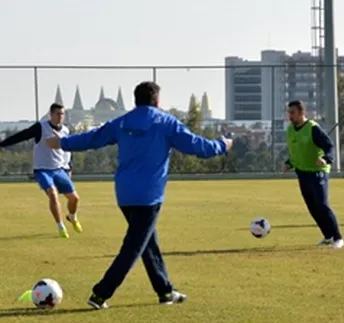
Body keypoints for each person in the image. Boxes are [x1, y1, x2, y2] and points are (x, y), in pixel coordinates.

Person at [44, 81, 232, 310]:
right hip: (149, 196)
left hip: (124, 194)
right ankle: (100, 294)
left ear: (136, 100)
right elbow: (198, 146)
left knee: (148, 243)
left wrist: (62, 142)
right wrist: (223, 144)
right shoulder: (166, 122)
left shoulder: (122, 122)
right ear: (157, 101)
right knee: (133, 247)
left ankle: (165, 291)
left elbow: (93, 138)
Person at [0, 103, 82, 238]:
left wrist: (69, 167)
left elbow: (67, 152)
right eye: (57, 114)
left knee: (74, 199)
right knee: (52, 194)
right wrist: (1, 144)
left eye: (62, 114)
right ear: (51, 114)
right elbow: (23, 135)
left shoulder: (66, 131)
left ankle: (72, 217)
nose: (60, 117)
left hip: (59, 169)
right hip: (42, 170)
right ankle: (60, 226)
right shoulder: (41, 127)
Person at [283, 100, 344, 249]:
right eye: (289, 112)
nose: (290, 116)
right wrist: (289, 163)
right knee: (312, 207)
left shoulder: (313, 128)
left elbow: (329, 146)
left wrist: (326, 159)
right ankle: (327, 236)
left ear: (302, 113)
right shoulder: (290, 130)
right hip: (302, 173)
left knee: (322, 205)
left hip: (318, 173)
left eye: (293, 113)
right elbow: (295, 150)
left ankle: (338, 238)